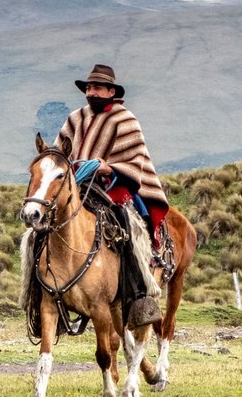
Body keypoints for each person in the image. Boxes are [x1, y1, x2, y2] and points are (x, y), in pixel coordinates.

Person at [57, 64, 166, 329]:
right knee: (45, 225)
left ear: (110, 91)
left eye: (96, 88)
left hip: (112, 185)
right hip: (76, 186)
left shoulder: (124, 119)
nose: (91, 92)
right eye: (88, 88)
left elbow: (134, 160)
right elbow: (60, 154)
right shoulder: (75, 118)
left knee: (129, 225)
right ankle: (46, 294)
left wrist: (106, 166)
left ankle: (140, 294)